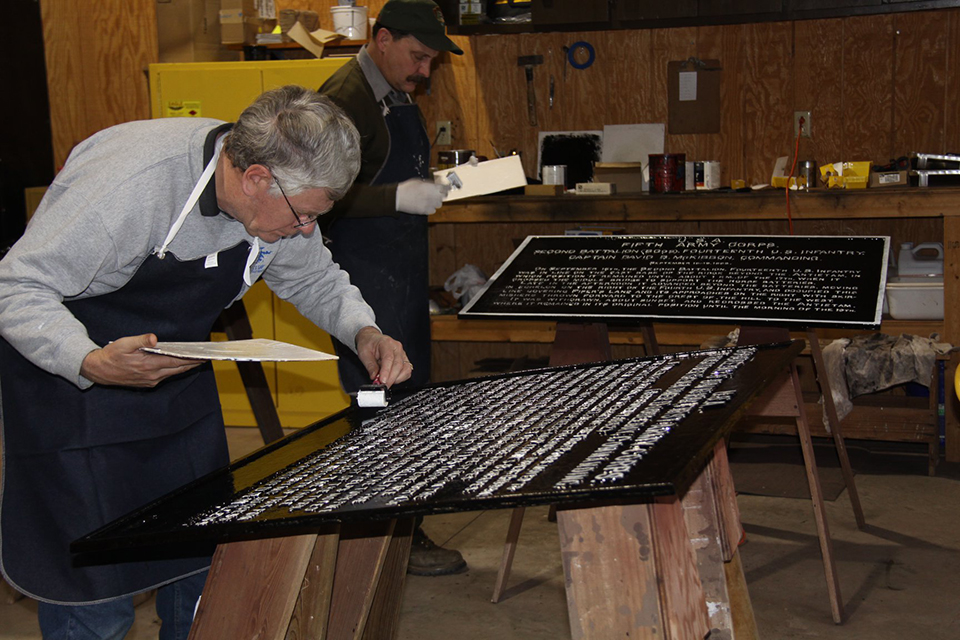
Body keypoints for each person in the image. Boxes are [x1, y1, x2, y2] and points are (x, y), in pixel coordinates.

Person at [0, 85, 412, 640]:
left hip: (177, 390)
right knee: (97, 598)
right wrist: (89, 360)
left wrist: (362, 330)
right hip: (73, 394)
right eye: (305, 215)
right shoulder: (131, 187)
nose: (308, 230)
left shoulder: (277, 203)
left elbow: (312, 275)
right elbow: (16, 283)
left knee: (199, 572)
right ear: (256, 178)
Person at [318, 0, 467, 577]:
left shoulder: (395, 90)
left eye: (431, 61)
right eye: (417, 56)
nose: (424, 71)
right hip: (363, 281)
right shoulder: (344, 100)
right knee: (376, 401)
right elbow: (315, 192)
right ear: (381, 39)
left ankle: (400, 523)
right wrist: (397, 197)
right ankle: (380, 532)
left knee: (407, 399)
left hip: (398, 275)